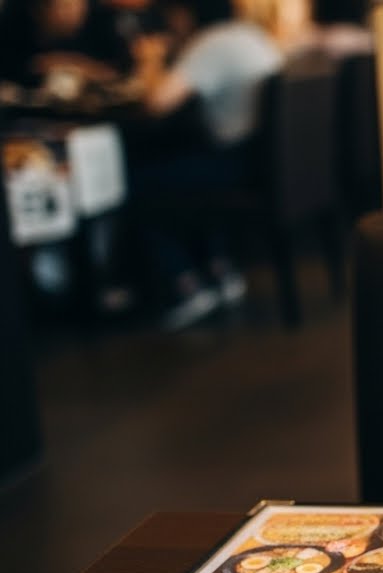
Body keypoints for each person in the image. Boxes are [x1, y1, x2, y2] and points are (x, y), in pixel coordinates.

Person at [128, 0, 282, 328]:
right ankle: (219, 270)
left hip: (238, 165)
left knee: (138, 184)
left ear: (184, 13)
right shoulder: (252, 36)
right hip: (264, 160)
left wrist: (148, 58)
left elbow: (155, 103)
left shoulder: (210, 44)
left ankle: (185, 284)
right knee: (184, 164)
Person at [0, 0, 131, 89]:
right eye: (65, 5)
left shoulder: (102, 21)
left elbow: (120, 73)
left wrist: (72, 64)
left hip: (90, 118)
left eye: (77, 4)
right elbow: (13, 71)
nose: (73, 12)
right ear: (40, 9)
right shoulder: (14, 24)